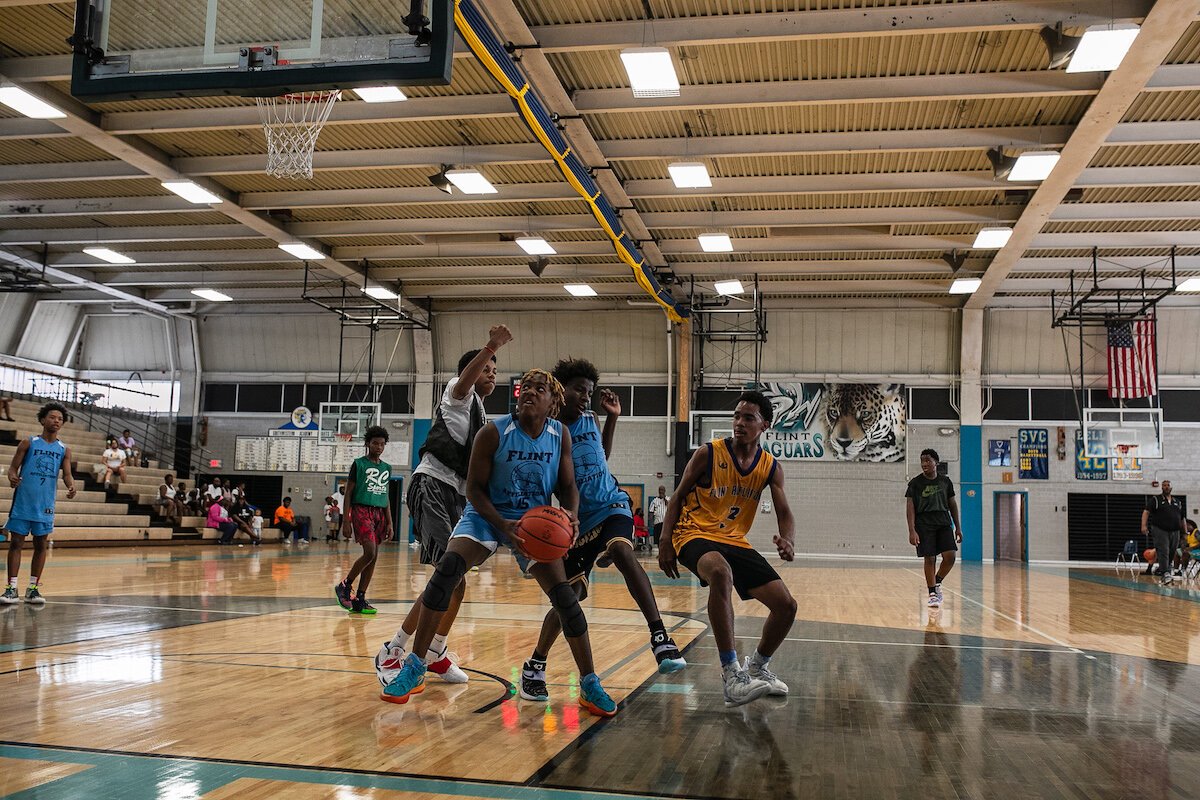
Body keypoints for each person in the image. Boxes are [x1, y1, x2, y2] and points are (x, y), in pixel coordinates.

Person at [381, 369, 618, 717]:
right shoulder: (493, 432)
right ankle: (415, 664)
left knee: (566, 598)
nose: (529, 393)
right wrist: (502, 527)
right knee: (447, 570)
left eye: (540, 389)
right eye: (526, 388)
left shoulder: (560, 435)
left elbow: (568, 487)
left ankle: (590, 683)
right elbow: (475, 489)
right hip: (488, 515)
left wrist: (570, 514)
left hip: (533, 519)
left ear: (553, 403)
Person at [519, 358, 685, 703]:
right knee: (570, 599)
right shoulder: (544, 434)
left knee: (625, 550)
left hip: (611, 504)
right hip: (576, 523)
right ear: (560, 390)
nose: (586, 397)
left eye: (590, 392)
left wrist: (612, 417)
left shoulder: (591, 419)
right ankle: (536, 662)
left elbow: (601, 455)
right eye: (580, 390)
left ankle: (660, 638)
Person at [375, 325, 510, 687]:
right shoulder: (457, 393)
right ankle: (393, 649)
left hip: (457, 496)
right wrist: (491, 344)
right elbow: (465, 380)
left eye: (495, 371)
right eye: (487, 368)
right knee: (444, 574)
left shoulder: (484, 417)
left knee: (457, 580)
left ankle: (436, 652)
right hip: (432, 484)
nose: (491, 375)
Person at [659, 391, 797, 707]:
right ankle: (731, 674)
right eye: (736, 416)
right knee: (721, 573)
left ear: (765, 424)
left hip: (734, 540)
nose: (739, 423)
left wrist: (787, 539)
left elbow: (784, 512)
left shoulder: (771, 467)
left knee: (786, 606)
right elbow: (678, 496)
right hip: (692, 533)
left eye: (748, 418)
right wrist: (665, 541)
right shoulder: (708, 454)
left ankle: (758, 667)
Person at [1, 403, 76, 605]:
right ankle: (11, 588)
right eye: (52, 417)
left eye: (59, 419)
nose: (56, 421)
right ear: (43, 420)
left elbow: (67, 474)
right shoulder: (29, 443)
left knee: (40, 544)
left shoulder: (63, 449)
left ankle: (33, 589)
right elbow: (12, 468)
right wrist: (12, 478)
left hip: (45, 504)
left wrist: (71, 486)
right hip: (23, 501)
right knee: (16, 542)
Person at [334, 426, 394, 615]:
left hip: (379, 514)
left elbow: (386, 497)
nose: (379, 447)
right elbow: (349, 492)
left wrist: (390, 522)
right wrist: (346, 520)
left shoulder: (386, 468)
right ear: (368, 444)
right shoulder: (358, 464)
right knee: (369, 552)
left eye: (382, 444)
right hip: (361, 510)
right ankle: (345, 585)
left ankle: (360, 598)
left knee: (374, 557)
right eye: (375, 443)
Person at [905, 448, 963, 608]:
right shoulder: (915, 483)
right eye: (922, 460)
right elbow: (910, 507)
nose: (924, 463)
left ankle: (937, 581)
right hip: (924, 523)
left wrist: (958, 527)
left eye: (928, 460)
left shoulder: (945, 482)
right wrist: (912, 530)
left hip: (943, 521)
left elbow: (952, 504)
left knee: (950, 556)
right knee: (929, 558)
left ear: (936, 462)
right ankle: (932, 593)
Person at [1143, 479, 1186, 586]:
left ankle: (1163, 570)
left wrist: (1185, 532)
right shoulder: (1156, 500)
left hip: (1175, 531)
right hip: (1160, 529)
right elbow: (1146, 512)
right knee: (1163, 550)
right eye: (1164, 485)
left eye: (1168, 485)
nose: (1166, 487)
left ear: (1171, 488)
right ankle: (1165, 574)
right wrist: (1143, 526)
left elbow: (1182, 518)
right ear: (1162, 488)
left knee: (1172, 551)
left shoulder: (1178, 502)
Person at [649, 485, 669, 550]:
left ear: (665, 491)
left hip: (666, 523)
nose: (661, 491)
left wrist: (664, 498)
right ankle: (660, 551)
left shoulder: (669, 499)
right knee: (658, 538)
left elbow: (670, 506)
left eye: (662, 490)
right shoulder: (654, 501)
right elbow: (651, 512)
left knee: (665, 538)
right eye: (660, 490)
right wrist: (651, 522)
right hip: (657, 522)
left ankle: (665, 551)